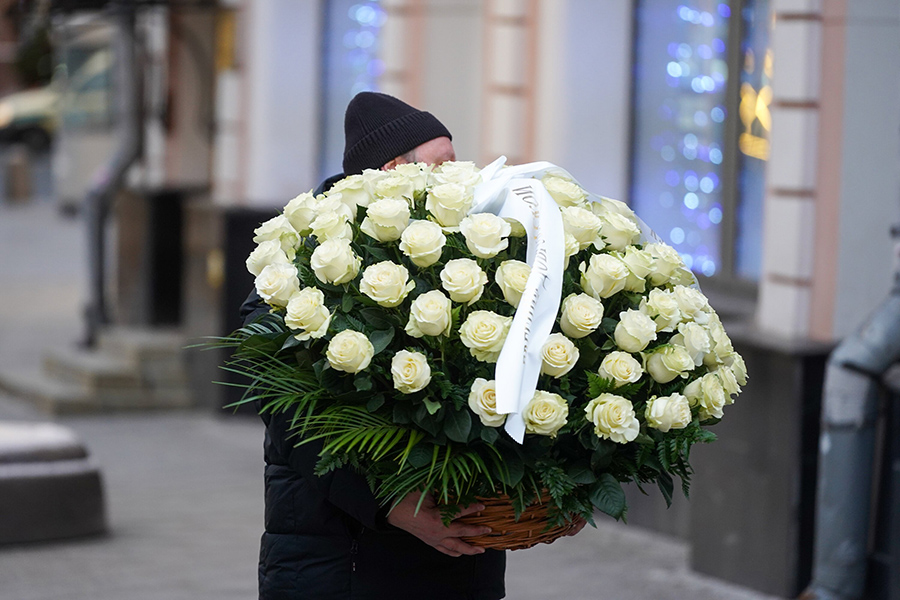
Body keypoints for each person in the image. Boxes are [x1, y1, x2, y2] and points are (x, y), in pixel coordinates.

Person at [240, 92, 507, 600]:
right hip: (342, 562)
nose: (461, 176)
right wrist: (394, 507)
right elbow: (293, 422)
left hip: (457, 560)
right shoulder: (293, 271)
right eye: (443, 164)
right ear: (391, 171)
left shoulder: (470, 255)